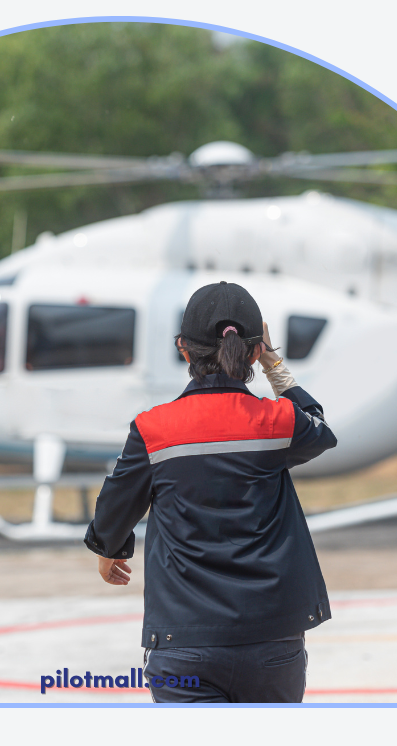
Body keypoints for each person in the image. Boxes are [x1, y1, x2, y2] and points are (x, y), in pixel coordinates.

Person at [84, 281, 337, 703]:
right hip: (272, 641)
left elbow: (116, 503)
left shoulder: (154, 430)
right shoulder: (277, 423)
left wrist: (109, 549)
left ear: (184, 349)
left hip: (184, 643)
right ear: (254, 351)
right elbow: (319, 426)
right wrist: (274, 363)